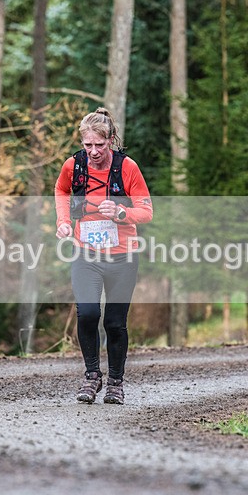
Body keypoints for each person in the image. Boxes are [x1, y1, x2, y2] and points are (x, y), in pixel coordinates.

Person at [54, 107, 153, 404]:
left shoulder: (127, 167)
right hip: (86, 253)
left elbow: (146, 211)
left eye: (100, 144)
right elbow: (61, 190)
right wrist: (63, 221)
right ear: (82, 142)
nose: (94, 151)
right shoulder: (74, 165)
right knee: (87, 312)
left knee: (114, 322)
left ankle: (115, 383)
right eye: (88, 145)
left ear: (111, 140)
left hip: (122, 256)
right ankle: (92, 376)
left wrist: (122, 213)